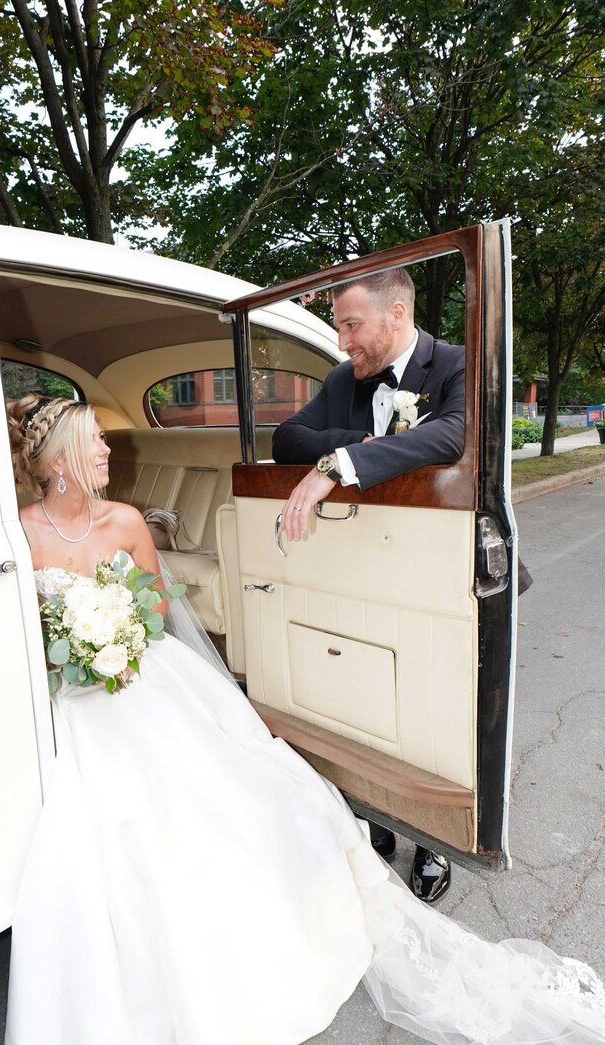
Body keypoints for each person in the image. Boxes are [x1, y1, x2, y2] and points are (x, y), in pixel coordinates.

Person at [3, 390, 605, 1045]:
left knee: (233, 798)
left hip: (142, 680)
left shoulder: (127, 522)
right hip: (73, 706)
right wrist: (72, 655)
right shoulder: (17, 534)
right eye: (96, 445)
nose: (109, 453)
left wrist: (122, 638)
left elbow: (157, 608)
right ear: (63, 464)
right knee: (103, 828)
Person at [272, 268, 463, 902]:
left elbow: (452, 433)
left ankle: (437, 838)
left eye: (351, 325)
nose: (341, 339)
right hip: (361, 569)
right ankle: (381, 816)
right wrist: (361, 443)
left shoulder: (458, 366)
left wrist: (339, 466)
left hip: (441, 572)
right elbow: (285, 439)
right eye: (339, 325)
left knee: (435, 705)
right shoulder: (339, 380)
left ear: (398, 313)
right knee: (371, 700)